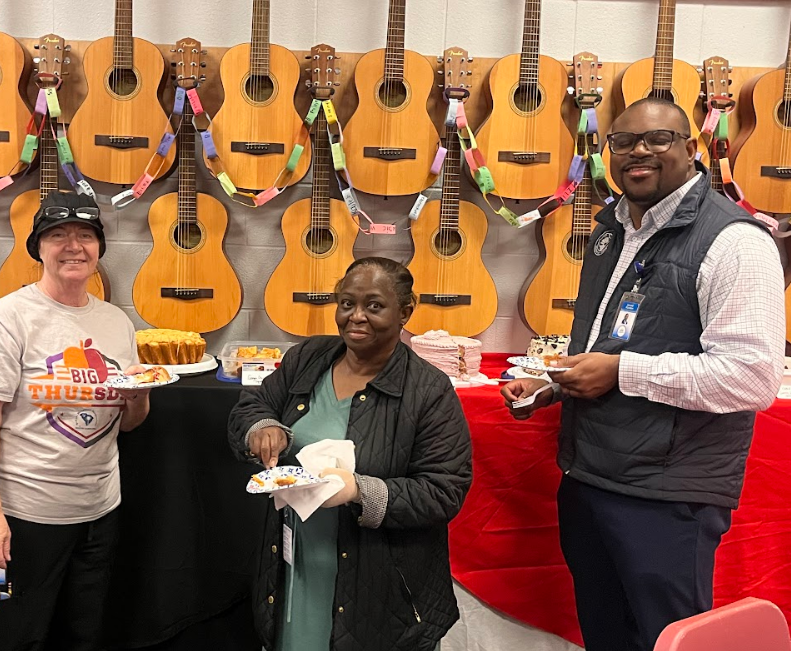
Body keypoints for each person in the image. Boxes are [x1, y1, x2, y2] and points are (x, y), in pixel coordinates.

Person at [502, 98, 785, 651]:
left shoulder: (735, 241)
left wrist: (622, 373)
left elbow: (752, 377)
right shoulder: (612, 227)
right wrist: (554, 384)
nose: (638, 152)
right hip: (590, 473)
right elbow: (615, 344)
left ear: (691, 148)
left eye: (658, 140)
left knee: (666, 641)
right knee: (608, 636)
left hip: (668, 492)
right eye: (624, 141)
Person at [228, 257, 472, 651]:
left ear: (405, 311)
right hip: (295, 569)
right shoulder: (307, 359)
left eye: (374, 306)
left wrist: (360, 490)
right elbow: (253, 405)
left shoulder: (429, 391)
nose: (356, 317)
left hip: (380, 590)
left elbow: (444, 491)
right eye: (346, 303)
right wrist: (262, 427)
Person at [0, 191, 151, 651]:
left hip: (98, 513)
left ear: (99, 248)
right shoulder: (8, 317)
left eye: (85, 235)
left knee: (81, 636)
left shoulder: (116, 322)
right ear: (38, 248)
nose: (73, 246)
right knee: (10, 637)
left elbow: (127, 424)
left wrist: (138, 396)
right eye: (58, 235)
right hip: (22, 518)